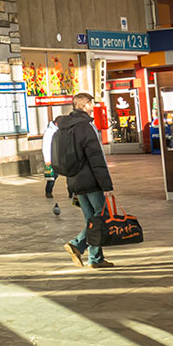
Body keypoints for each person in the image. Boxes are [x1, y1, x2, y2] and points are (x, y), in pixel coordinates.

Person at [58, 93, 116, 269]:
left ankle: (96, 258)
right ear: (85, 106)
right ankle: (77, 244)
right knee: (102, 217)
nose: (93, 107)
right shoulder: (86, 126)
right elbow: (96, 157)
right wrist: (106, 185)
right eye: (92, 104)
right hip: (91, 180)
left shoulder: (65, 127)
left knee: (91, 219)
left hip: (75, 179)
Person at [42, 119, 59, 199]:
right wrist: (47, 159)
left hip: (59, 156)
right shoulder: (49, 131)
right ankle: (48, 191)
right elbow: (46, 146)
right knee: (53, 175)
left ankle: (71, 192)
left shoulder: (59, 130)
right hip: (52, 157)